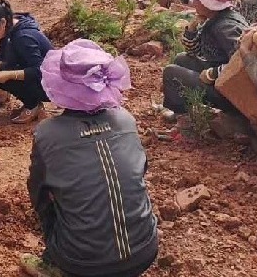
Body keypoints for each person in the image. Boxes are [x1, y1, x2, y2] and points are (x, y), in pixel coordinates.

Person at [22, 39, 158, 277]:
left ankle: (53, 263)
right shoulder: (125, 120)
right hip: (145, 253)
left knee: (49, 203)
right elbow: (141, 171)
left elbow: (38, 192)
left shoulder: (48, 133)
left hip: (82, 265)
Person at [160, 0, 248, 117]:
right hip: (221, 80)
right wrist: (192, 29)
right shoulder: (216, 18)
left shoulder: (226, 27)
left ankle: (181, 116)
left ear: (208, 3)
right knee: (181, 59)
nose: (194, 1)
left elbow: (241, 64)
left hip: (229, 94)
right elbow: (195, 51)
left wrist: (213, 73)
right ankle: (183, 107)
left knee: (171, 72)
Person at [0, 0, 53, 124]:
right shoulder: (9, 27)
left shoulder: (23, 37)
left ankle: (33, 106)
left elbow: (40, 70)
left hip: (51, 85)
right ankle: (32, 102)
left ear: (2, 22)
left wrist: (9, 75)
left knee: (4, 75)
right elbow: (1, 53)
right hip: (35, 74)